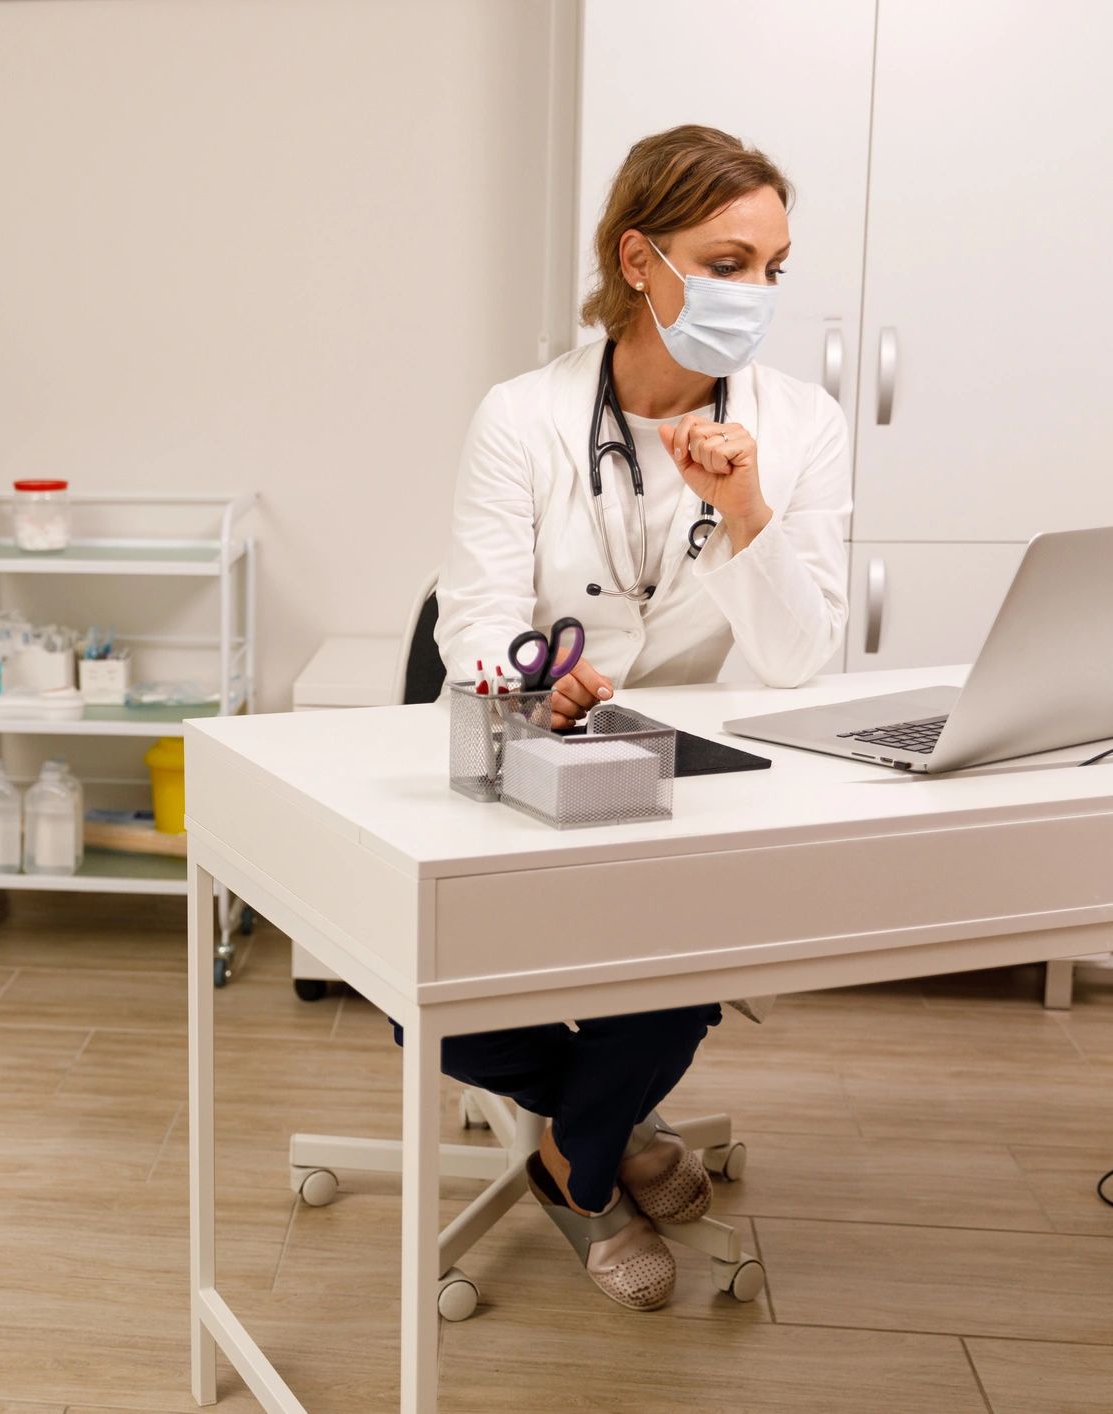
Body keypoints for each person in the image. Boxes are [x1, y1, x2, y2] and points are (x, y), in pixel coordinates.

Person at [432, 124, 850, 1310]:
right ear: (637, 259)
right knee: (438, 997)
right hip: (529, 750)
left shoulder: (799, 427)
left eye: (770, 269)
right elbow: (475, 616)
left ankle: (578, 1153)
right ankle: (605, 1114)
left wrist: (748, 509)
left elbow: (796, 660)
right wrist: (526, 683)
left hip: (686, 779)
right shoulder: (520, 416)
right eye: (725, 262)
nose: (753, 295)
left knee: (673, 971)